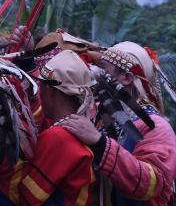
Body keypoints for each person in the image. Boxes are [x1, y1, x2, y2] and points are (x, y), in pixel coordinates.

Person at [61, 45, 176, 205]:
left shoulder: (156, 126)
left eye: (103, 70)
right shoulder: (99, 114)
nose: (95, 73)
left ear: (127, 78)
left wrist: (99, 142)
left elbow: (151, 184)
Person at [17, 50, 97, 205]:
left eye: (41, 87)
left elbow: (27, 198)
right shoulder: (86, 129)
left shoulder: (58, 137)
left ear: (50, 91)